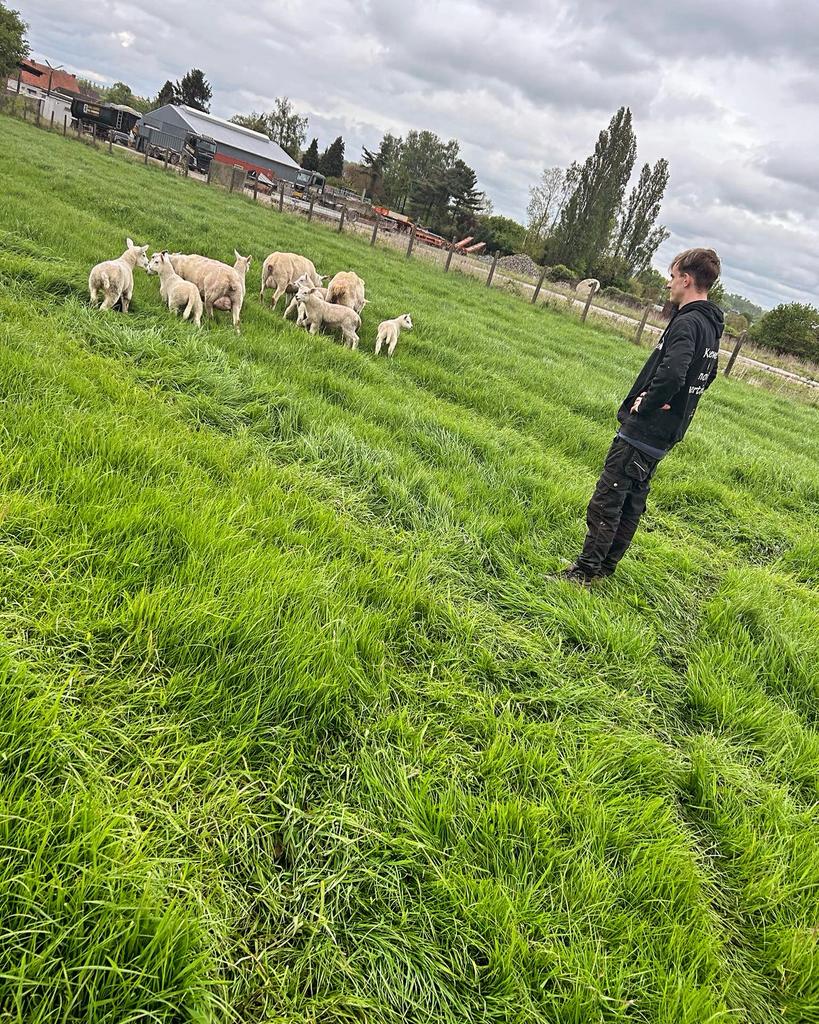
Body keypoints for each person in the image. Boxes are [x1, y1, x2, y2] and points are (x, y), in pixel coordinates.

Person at [561, 248, 724, 585]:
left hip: (645, 430)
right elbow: (708, 375)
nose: (669, 284)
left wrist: (649, 402)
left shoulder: (689, 321)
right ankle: (604, 569)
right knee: (631, 501)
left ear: (686, 279)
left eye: (672, 276)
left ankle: (585, 572)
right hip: (666, 433)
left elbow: (674, 372)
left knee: (608, 499)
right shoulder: (710, 326)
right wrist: (676, 404)